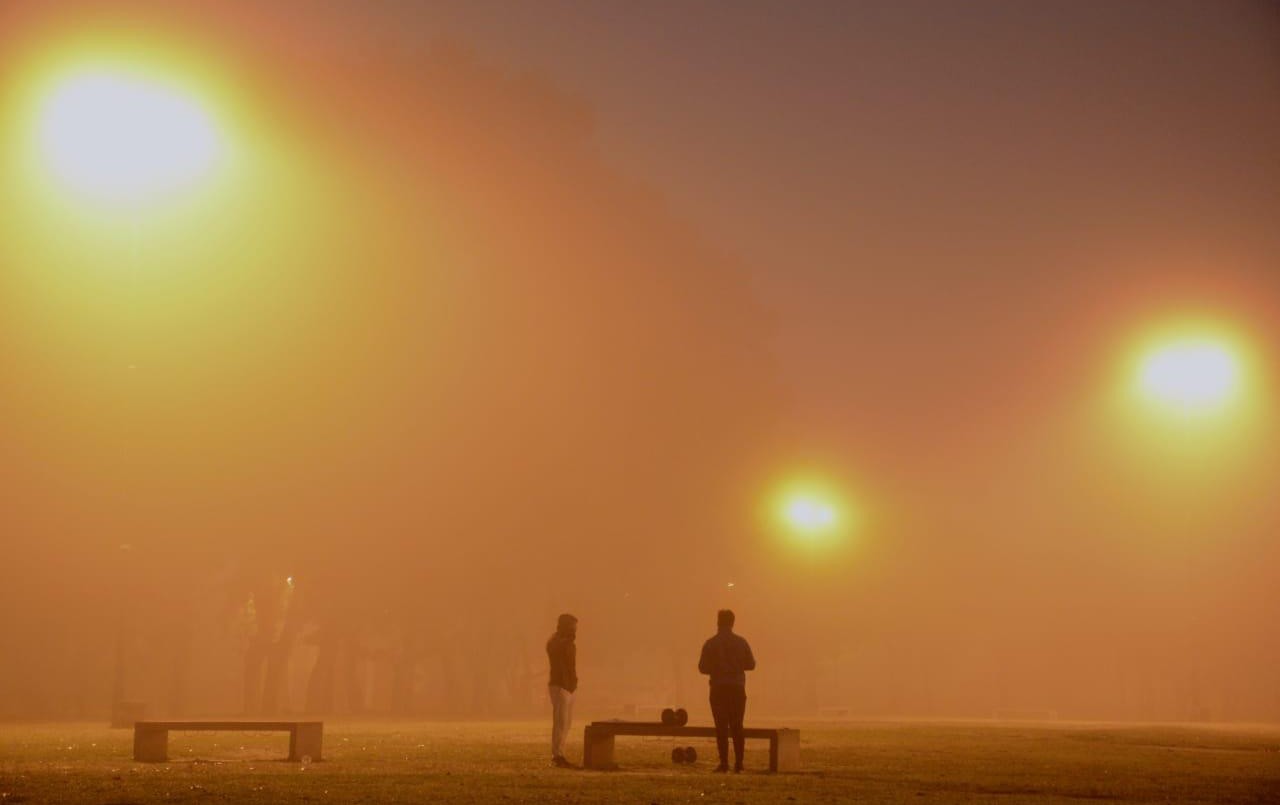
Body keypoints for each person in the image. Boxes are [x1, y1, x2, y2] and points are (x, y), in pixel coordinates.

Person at [698, 609, 756, 773]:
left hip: (718, 689)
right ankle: (739, 763)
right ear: (733, 622)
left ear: (718, 622)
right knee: (737, 726)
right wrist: (736, 666)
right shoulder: (741, 642)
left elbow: (702, 667)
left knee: (721, 726)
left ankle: (724, 763)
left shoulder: (711, 643)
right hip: (737, 688)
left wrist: (717, 667)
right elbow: (751, 664)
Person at [546, 613, 579, 768]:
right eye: (572, 626)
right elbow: (557, 656)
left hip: (568, 686)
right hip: (559, 685)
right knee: (560, 722)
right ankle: (557, 755)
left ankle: (560, 752)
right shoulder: (555, 641)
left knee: (567, 722)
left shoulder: (567, 642)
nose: (575, 630)